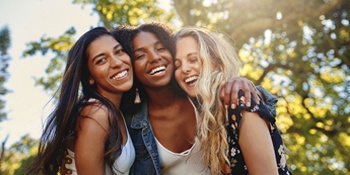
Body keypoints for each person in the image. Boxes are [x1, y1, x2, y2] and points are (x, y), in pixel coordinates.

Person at [62, 22, 277, 175]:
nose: (154, 58)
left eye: (160, 49)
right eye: (140, 55)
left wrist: (240, 82)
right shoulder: (127, 122)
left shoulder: (204, 98)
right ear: (133, 66)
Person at [173, 26, 291, 174]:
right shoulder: (202, 117)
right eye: (177, 65)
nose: (184, 68)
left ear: (216, 61)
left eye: (193, 59)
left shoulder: (240, 101)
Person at [25, 27, 135, 175]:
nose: (116, 62)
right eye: (101, 60)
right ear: (89, 77)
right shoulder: (96, 112)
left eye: (119, 51)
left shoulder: (117, 112)